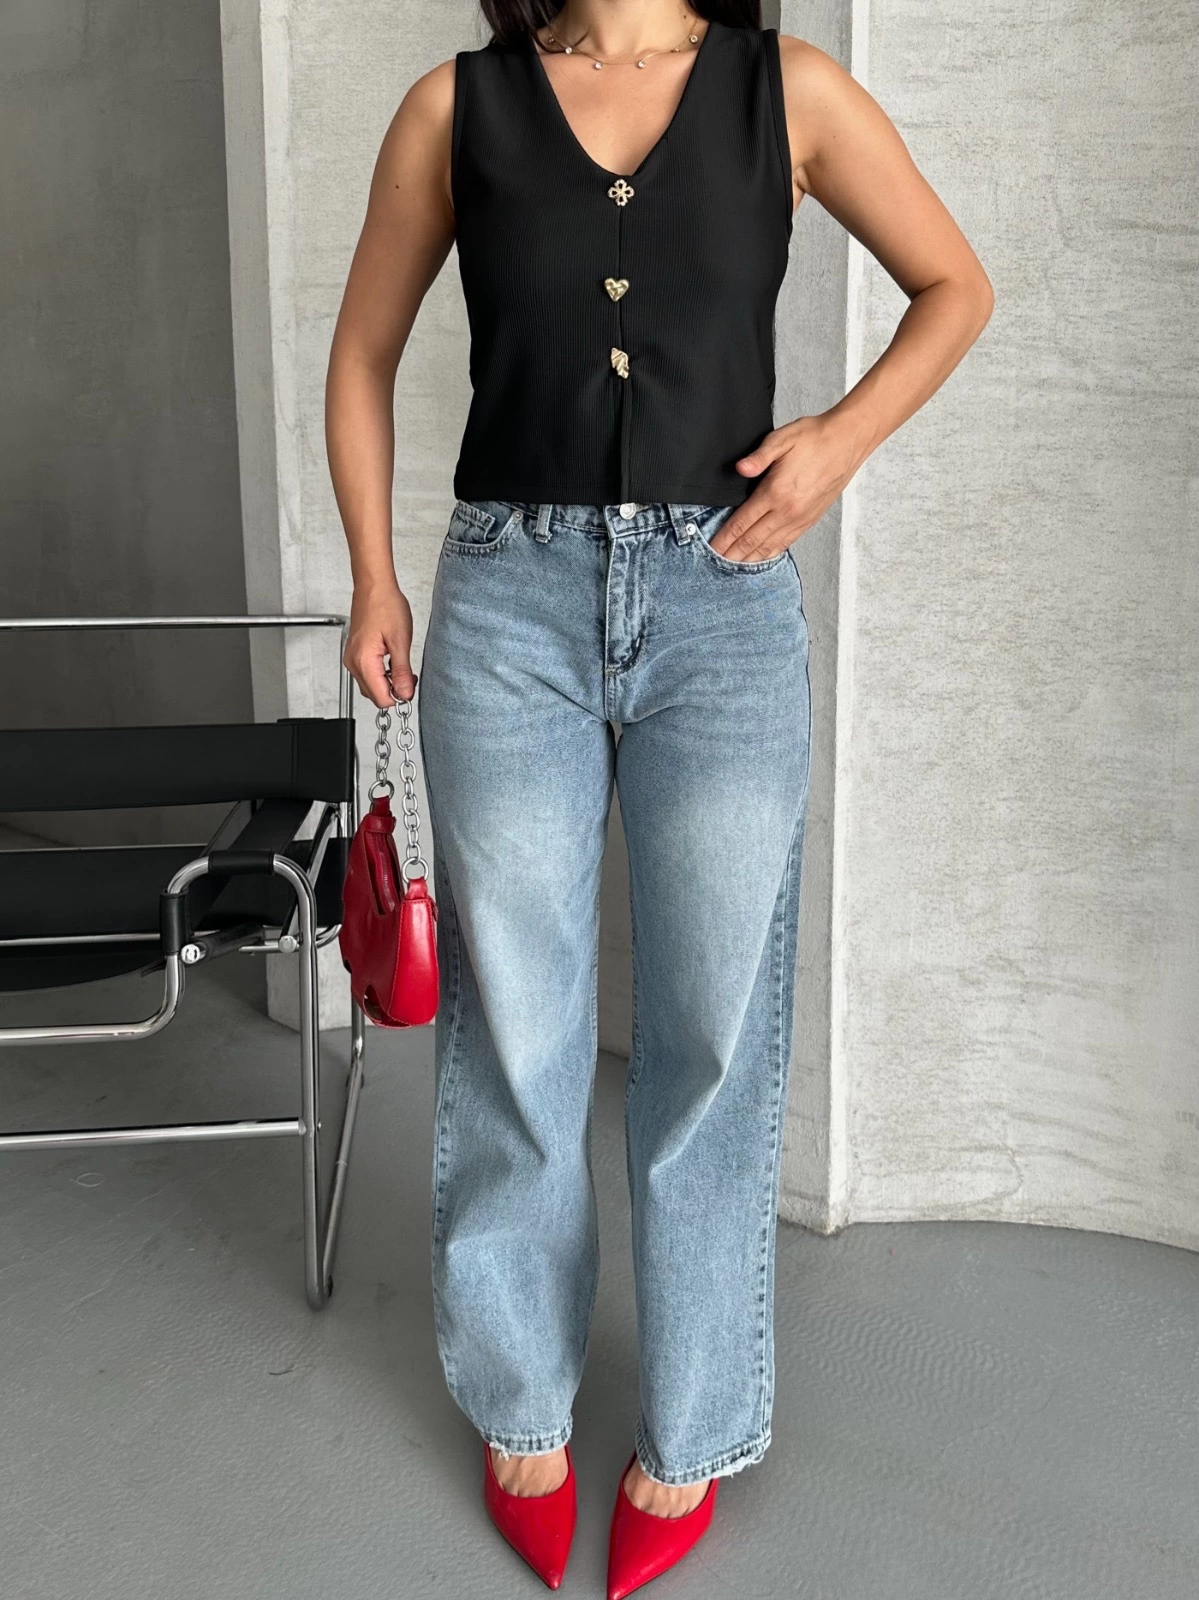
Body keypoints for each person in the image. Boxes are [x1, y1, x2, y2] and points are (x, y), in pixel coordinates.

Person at [328, 2, 993, 1593]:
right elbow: (361, 353)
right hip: (507, 608)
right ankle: (521, 1406)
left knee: (711, 1033)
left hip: (723, 605)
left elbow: (953, 287)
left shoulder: (790, 93)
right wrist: (372, 575)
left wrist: (834, 445)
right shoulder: (455, 108)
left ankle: (690, 1429)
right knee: (521, 1020)